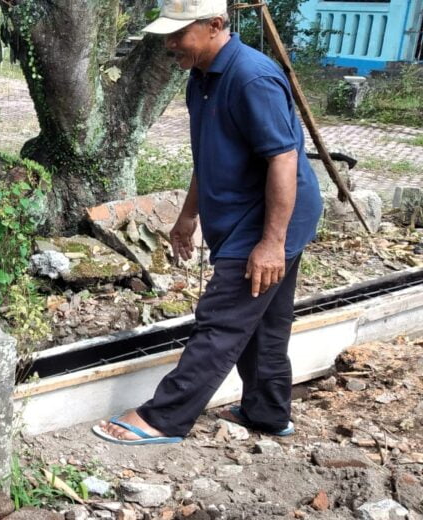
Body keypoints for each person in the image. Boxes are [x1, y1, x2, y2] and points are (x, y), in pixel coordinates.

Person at [93, 0, 323, 445]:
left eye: (179, 34)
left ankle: (163, 418)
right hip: (249, 216)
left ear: (216, 25)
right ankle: (268, 413)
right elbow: (210, 154)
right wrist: (187, 216)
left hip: (267, 221)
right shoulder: (200, 76)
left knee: (221, 321)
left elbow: (283, 159)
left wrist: (271, 243)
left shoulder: (252, 78)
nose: (169, 44)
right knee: (266, 323)